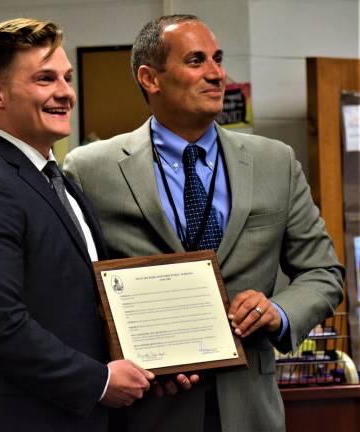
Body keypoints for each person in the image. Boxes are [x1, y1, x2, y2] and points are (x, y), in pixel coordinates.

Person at [64, 14, 345, 432]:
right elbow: (73, 292)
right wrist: (123, 355)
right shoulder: (90, 169)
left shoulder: (275, 161)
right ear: (150, 78)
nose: (217, 74)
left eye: (218, 58)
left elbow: (323, 272)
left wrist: (279, 311)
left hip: (251, 407)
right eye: (196, 61)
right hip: (150, 408)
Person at [0, 18, 155, 432]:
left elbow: (85, 305)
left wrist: (152, 360)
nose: (65, 93)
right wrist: (101, 381)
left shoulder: (61, 182)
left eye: (67, 78)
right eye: (44, 79)